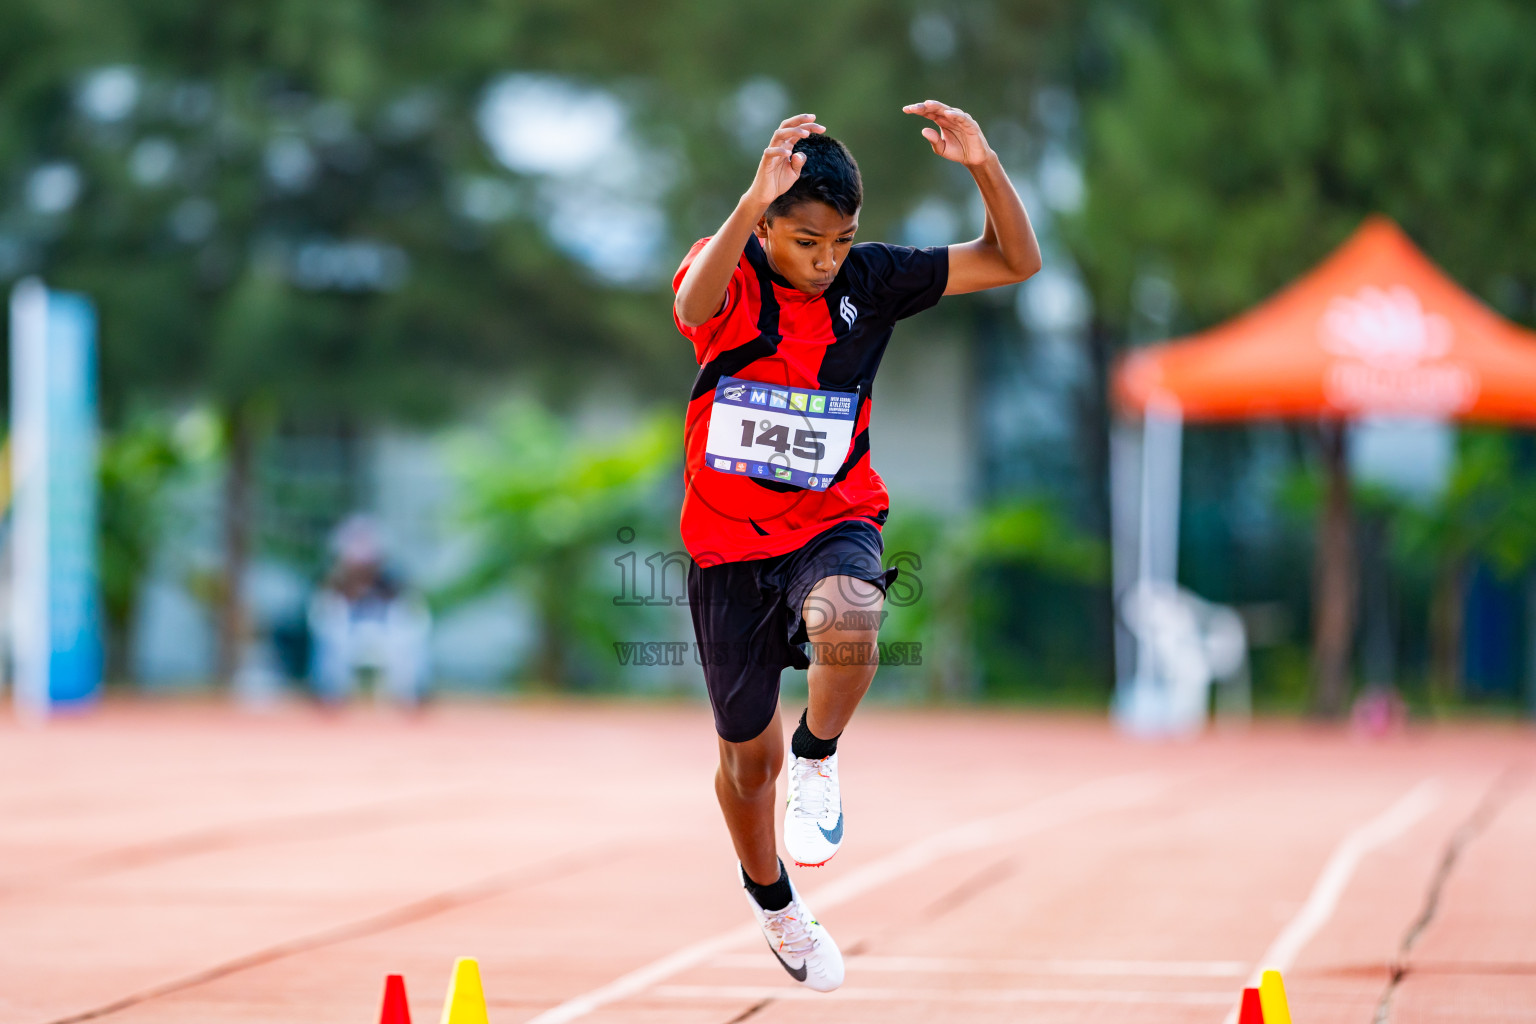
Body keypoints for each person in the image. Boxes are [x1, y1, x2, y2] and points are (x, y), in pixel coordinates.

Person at [671, 102, 1041, 991]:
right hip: (727, 548)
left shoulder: (868, 282)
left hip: (833, 518)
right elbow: (689, 301)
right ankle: (773, 900)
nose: (825, 258)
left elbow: (1015, 260)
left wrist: (984, 165)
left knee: (853, 613)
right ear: (765, 225)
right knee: (741, 764)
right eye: (804, 240)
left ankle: (821, 756)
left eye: (840, 240)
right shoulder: (728, 280)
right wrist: (748, 200)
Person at [308, 515, 432, 707]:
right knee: (333, 640)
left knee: (406, 643)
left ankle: (409, 695)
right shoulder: (336, 581)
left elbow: (411, 610)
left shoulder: (392, 580)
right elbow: (323, 612)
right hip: (348, 633)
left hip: (386, 633)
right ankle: (330, 693)